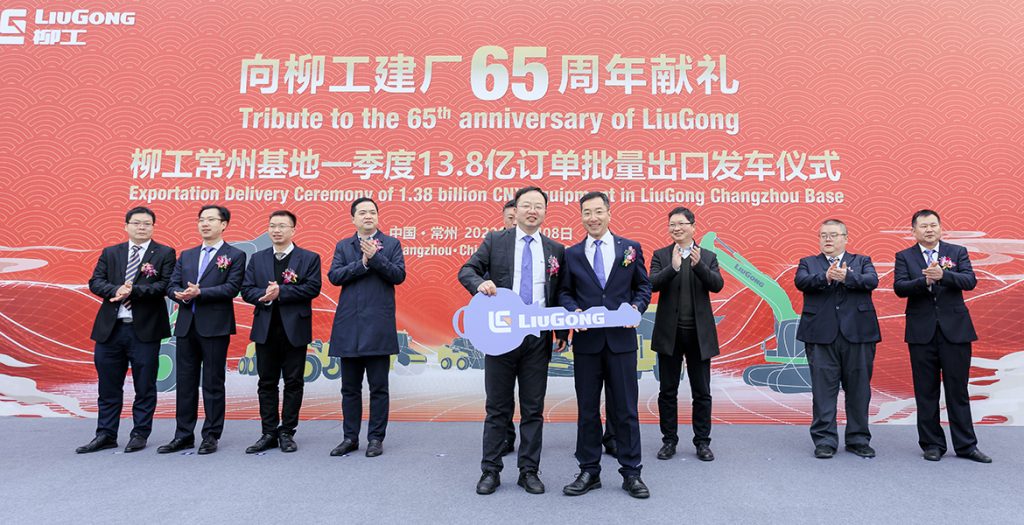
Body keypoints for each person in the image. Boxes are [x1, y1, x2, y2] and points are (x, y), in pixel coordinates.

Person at [459, 186, 566, 495]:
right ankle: (490, 470)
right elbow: (467, 270)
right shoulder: (496, 241)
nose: (533, 211)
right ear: (515, 211)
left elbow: (559, 292)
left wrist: (561, 332)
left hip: (537, 338)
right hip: (501, 336)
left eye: (538, 206)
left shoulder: (556, 249)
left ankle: (529, 471)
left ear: (545, 212)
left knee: (533, 409)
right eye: (527, 205)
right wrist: (480, 284)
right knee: (498, 408)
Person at [558, 191, 652, 499]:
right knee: (587, 410)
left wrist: (636, 307)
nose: (593, 218)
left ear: (609, 213)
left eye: (598, 211)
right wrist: (573, 311)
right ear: (581, 216)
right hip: (587, 344)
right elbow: (564, 292)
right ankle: (589, 471)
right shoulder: (572, 254)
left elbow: (643, 286)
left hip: (621, 343)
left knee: (625, 410)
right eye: (587, 212)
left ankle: (632, 472)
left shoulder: (630, 249)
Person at [893, 210, 991, 463]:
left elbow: (969, 280)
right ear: (913, 231)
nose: (929, 230)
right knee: (926, 392)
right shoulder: (904, 256)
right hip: (921, 333)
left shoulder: (956, 252)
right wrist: (924, 281)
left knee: (957, 391)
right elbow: (899, 287)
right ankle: (932, 444)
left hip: (955, 332)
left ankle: (966, 445)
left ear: (940, 228)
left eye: (933, 225)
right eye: (923, 226)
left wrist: (943, 276)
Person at [77, 207, 176, 454]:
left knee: (145, 386)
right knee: (108, 386)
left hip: (145, 331)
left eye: (147, 223)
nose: (141, 227)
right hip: (110, 330)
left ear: (153, 227)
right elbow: (95, 282)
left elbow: (165, 285)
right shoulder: (111, 252)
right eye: (136, 223)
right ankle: (105, 434)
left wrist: (133, 291)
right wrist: (115, 290)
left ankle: (140, 433)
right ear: (126, 226)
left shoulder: (165, 253)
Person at [159, 205, 246, 455]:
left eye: (210, 219)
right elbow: (171, 285)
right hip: (186, 326)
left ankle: (211, 435)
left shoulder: (235, 255)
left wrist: (201, 293)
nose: (205, 224)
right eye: (201, 220)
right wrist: (179, 294)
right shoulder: (187, 255)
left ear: (223, 224)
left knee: (212, 383)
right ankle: (183, 435)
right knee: (185, 383)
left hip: (215, 327)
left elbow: (232, 288)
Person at [795, 219, 880, 459]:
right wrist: (826, 277)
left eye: (833, 235)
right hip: (821, 336)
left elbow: (872, 281)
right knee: (823, 392)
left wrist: (846, 277)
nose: (828, 239)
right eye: (823, 235)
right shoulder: (808, 263)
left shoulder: (861, 261)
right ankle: (825, 440)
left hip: (858, 335)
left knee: (859, 390)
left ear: (845, 238)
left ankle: (858, 439)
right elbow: (801, 282)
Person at [327, 198, 406, 458]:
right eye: (362, 213)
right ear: (353, 219)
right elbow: (334, 276)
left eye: (372, 212)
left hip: (378, 327)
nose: (368, 216)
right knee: (349, 389)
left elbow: (398, 275)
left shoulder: (391, 244)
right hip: (349, 326)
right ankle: (350, 437)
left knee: (378, 388)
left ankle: (375, 438)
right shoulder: (343, 246)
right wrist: (361, 263)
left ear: (378, 217)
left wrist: (375, 258)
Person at [241, 210, 322, 454]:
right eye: (272, 226)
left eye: (282, 226)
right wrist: (264, 296)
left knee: (293, 382)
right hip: (265, 329)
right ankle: (268, 432)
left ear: (293, 230)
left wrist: (282, 293)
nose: (276, 230)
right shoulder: (258, 258)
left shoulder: (309, 258)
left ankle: (287, 431)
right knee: (266, 382)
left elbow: (312, 288)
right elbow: (246, 289)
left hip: (294, 329)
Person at [648, 207, 724, 462]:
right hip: (669, 334)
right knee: (667, 391)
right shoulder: (661, 255)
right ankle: (669, 441)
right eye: (672, 224)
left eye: (681, 223)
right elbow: (651, 284)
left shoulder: (708, 256)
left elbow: (717, 285)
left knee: (701, 392)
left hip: (699, 336)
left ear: (693, 227)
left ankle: (702, 442)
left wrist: (698, 265)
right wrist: (672, 267)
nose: (676, 228)